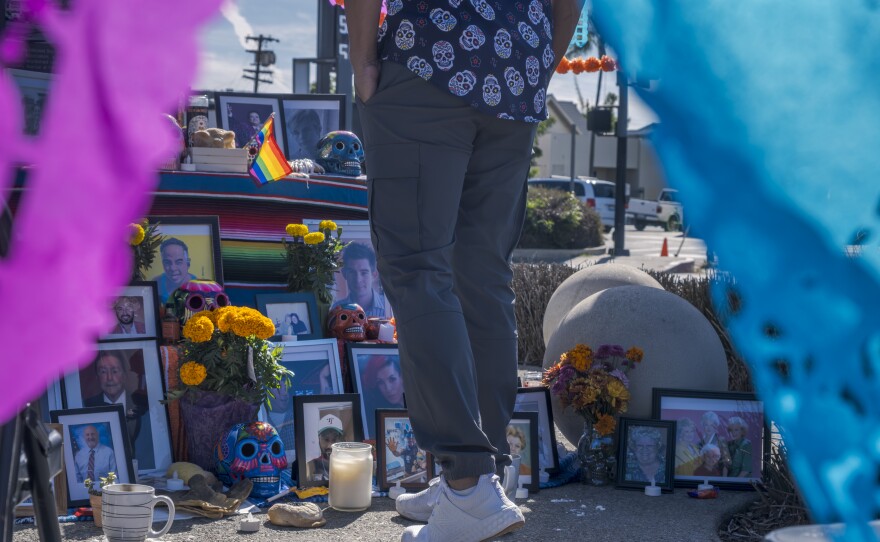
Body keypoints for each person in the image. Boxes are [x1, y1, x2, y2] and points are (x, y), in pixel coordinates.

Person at [348, 0, 582, 536]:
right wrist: (532, 67)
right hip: (515, 69)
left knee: (417, 267)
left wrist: (363, 60)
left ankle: (469, 484)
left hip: (430, 58)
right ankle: (478, 474)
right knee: (482, 275)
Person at [84, 351, 149, 451]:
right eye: (103, 372)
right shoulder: (87, 406)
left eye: (114, 371)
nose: (109, 378)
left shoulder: (142, 403)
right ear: (97, 377)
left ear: (124, 376)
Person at [330, 242, 388, 318]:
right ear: (344, 274)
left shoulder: (389, 308)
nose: (358, 280)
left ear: (374, 275)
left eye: (364, 273)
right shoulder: (336, 309)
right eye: (352, 272)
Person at [152, 238, 196, 303]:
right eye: (167, 262)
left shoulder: (198, 286)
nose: (173, 268)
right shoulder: (155, 284)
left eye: (178, 262)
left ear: (188, 263)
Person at [306, 414, 344, 482]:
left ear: (340, 440)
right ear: (319, 439)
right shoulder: (311, 466)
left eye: (334, 440)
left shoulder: (350, 465)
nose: (329, 446)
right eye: (326, 440)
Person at [699, 411, 731, 477]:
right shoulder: (699, 443)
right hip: (701, 476)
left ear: (716, 426)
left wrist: (724, 480)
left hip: (716, 476)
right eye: (706, 425)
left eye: (712, 425)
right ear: (703, 426)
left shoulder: (721, 441)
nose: (709, 428)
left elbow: (727, 462)